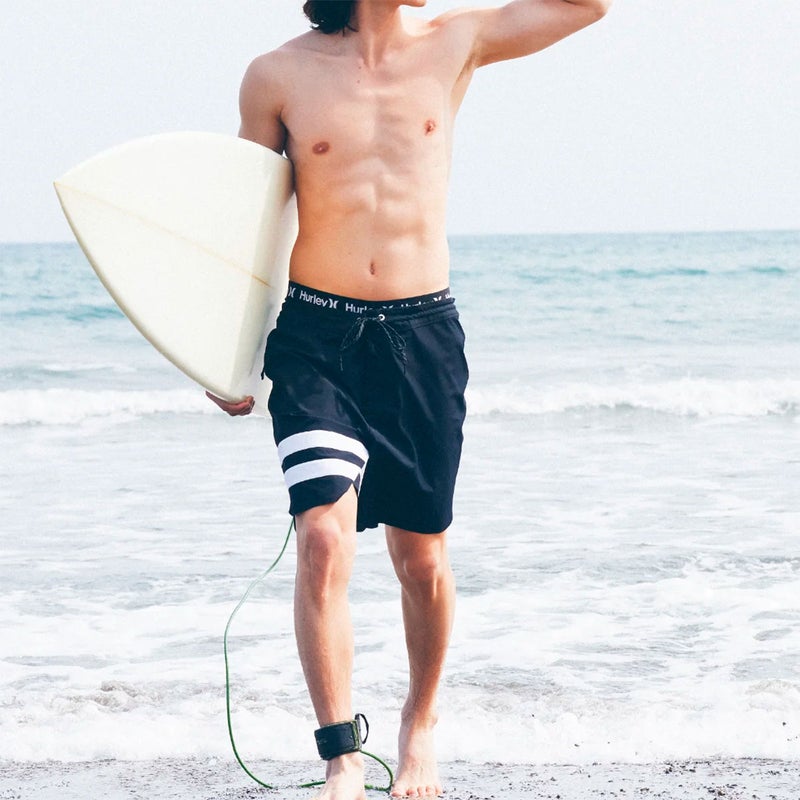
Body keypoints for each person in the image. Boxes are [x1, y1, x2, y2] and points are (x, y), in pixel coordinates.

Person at [207, 1, 611, 797]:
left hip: (421, 337)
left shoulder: (459, 40)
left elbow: (589, 5)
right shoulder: (277, 75)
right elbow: (242, 226)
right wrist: (221, 355)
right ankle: (341, 756)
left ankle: (419, 727)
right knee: (323, 538)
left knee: (420, 558)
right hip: (316, 339)